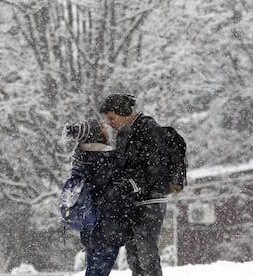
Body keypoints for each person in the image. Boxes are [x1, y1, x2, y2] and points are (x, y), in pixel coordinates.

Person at [100, 94, 184, 276]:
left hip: (151, 200)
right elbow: (124, 166)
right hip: (131, 202)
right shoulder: (122, 135)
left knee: (147, 253)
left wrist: (132, 184)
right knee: (134, 257)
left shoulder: (148, 128)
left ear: (122, 112)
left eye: (111, 118)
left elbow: (155, 168)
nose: (110, 123)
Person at [63, 119, 133, 276]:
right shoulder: (107, 158)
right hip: (108, 224)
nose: (106, 129)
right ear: (94, 134)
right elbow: (119, 187)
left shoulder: (79, 157)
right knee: (100, 269)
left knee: (93, 268)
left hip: (89, 223)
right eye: (102, 128)